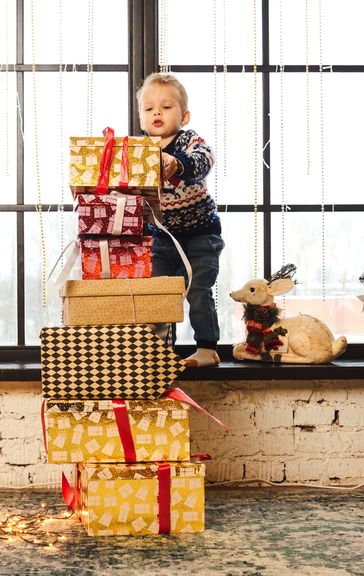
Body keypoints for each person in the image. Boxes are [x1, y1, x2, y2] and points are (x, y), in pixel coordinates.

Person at [136, 72, 224, 368]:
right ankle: (161, 353)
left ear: (184, 116)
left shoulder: (189, 140)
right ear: (141, 120)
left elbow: (205, 159)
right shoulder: (139, 151)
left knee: (198, 289)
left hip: (200, 233)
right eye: (149, 109)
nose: (157, 112)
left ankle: (207, 347)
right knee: (159, 293)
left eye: (166, 106)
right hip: (161, 236)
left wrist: (178, 164)